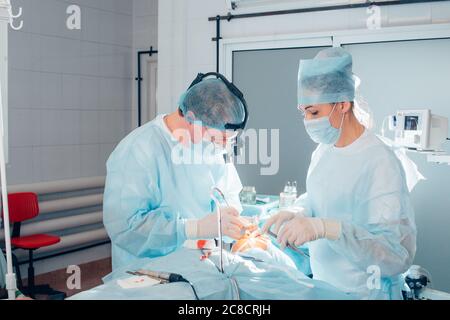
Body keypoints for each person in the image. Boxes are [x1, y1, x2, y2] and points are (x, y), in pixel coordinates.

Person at [262, 48, 416, 300]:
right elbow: (320, 199)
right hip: (326, 288)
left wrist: (327, 228)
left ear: (343, 104)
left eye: (314, 112)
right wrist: (298, 212)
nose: (308, 122)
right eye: (304, 113)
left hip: (366, 293)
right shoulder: (324, 151)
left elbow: (394, 256)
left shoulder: (379, 161)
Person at [103, 73, 250, 270]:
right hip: (148, 271)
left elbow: (227, 192)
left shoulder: (207, 146)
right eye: (217, 139)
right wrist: (193, 229)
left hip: (201, 264)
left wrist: (230, 217)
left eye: (227, 140)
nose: (221, 147)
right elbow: (127, 228)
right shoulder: (139, 149)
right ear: (191, 119)